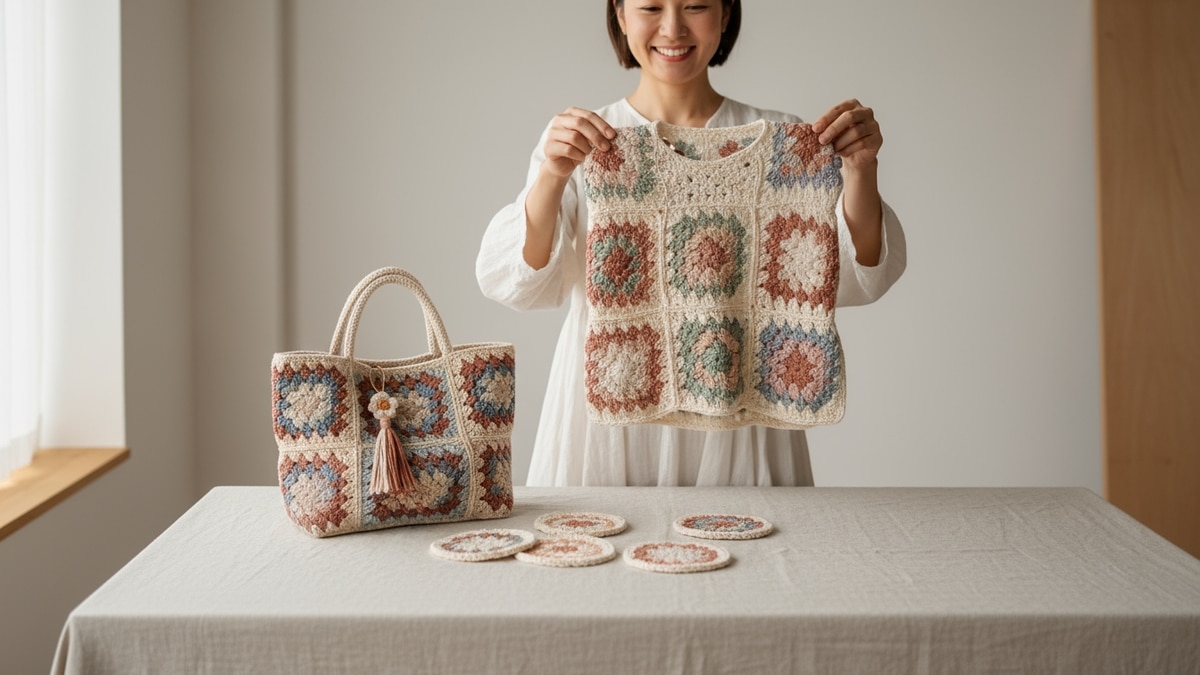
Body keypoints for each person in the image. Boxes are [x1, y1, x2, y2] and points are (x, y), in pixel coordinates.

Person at [476, 0, 906, 487]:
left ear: (725, 14)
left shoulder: (787, 143)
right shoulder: (587, 141)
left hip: (742, 399)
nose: (673, 28)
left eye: (695, 5)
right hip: (617, 389)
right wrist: (553, 175)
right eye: (651, 7)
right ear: (620, 14)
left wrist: (861, 171)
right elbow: (521, 281)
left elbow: (847, 276)